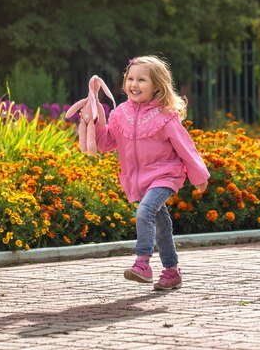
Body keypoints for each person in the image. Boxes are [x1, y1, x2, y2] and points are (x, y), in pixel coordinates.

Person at [89, 55, 210, 290]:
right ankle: (172, 271)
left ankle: (142, 263)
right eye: (130, 79)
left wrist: (199, 177)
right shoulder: (120, 114)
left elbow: (186, 148)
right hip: (138, 180)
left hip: (165, 176)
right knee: (161, 225)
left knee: (145, 212)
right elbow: (105, 143)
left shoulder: (165, 116)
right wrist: (94, 121)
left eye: (142, 80)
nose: (134, 84)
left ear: (157, 86)